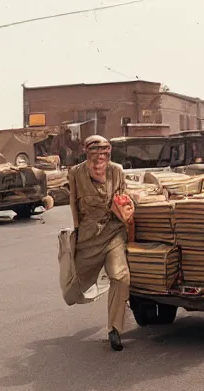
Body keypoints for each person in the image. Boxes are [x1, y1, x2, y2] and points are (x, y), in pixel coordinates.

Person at [68, 135, 133, 351]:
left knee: (120, 276)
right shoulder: (76, 174)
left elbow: (125, 200)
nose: (99, 161)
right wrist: (75, 235)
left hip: (113, 233)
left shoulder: (117, 171)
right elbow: (73, 206)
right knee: (73, 286)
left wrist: (126, 207)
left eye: (104, 155)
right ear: (87, 155)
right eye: (95, 155)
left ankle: (114, 328)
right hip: (88, 237)